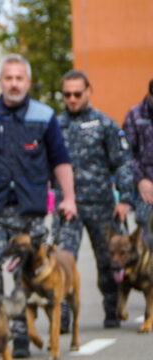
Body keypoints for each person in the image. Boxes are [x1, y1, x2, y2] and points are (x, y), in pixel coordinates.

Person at [0, 54, 77, 358]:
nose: (13, 83)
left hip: (30, 210)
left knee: (29, 271)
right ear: (0, 82)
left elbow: (61, 160)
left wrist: (69, 197)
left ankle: (21, 333)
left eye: (19, 78)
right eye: (8, 78)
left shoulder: (44, 116)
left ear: (28, 82)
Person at [52, 70, 132, 328]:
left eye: (77, 93)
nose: (72, 99)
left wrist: (124, 199)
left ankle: (112, 308)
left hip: (101, 204)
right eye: (67, 94)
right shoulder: (54, 125)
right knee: (63, 259)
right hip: (68, 206)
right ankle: (62, 316)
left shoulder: (105, 124)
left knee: (109, 259)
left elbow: (122, 163)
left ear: (88, 91)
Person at [125, 79, 153, 232]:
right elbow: (126, 154)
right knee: (145, 238)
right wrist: (141, 180)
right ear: (149, 94)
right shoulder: (135, 116)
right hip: (146, 189)